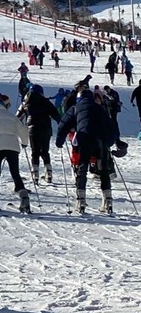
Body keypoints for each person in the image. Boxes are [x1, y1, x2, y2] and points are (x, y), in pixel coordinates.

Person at [56, 81, 121, 214]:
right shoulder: (100, 108)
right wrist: (109, 142)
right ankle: (107, 200)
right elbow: (112, 126)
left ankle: (80, 201)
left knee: (82, 168)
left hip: (84, 139)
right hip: (100, 140)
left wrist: (59, 141)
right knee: (103, 170)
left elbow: (63, 124)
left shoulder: (75, 107)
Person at [17, 83, 59, 185]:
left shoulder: (25, 102)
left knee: (35, 152)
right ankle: (49, 174)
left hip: (32, 129)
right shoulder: (46, 102)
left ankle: (35, 175)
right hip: (46, 129)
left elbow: (17, 117)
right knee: (45, 151)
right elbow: (56, 115)